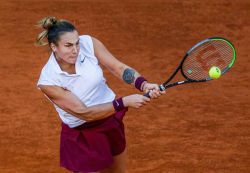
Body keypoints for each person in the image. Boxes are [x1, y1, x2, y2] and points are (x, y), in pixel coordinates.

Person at [36, 16, 165, 173]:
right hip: (82, 134)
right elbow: (85, 113)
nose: (76, 50)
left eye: (76, 43)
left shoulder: (88, 43)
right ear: (54, 47)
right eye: (68, 46)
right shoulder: (48, 80)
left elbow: (117, 67)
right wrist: (123, 102)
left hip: (110, 121)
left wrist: (143, 84)